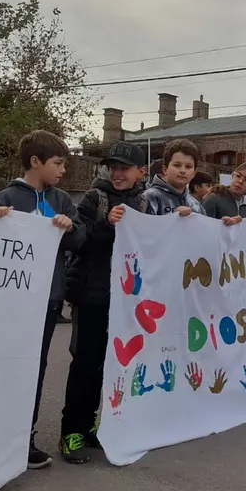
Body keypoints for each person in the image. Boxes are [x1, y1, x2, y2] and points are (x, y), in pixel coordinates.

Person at [0, 130, 87, 468]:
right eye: (58, 163)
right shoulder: (5, 197)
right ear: (35, 162)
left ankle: (23, 438)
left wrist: (69, 228)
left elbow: (79, 241)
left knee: (36, 367)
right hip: (11, 301)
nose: (62, 171)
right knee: (3, 365)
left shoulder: (60, 200)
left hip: (48, 299)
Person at [59, 142, 147, 464]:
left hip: (126, 300)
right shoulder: (94, 199)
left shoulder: (146, 205)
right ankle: (72, 431)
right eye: (114, 167)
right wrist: (106, 224)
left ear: (141, 172)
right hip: (92, 296)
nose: (118, 173)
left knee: (111, 367)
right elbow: (78, 242)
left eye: (125, 168)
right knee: (84, 363)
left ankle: (96, 425)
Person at [144, 139, 205, 216]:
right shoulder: (149, 198)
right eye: (177, 165)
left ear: (194, 173)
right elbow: (141, 226)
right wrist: (173, 218)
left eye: (188, 166)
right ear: (165, 169)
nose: (183, 170)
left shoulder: (196, 206)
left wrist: (222, 225)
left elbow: (205, 227)